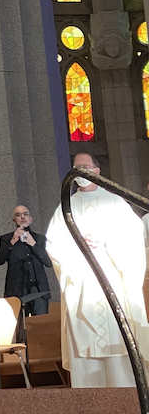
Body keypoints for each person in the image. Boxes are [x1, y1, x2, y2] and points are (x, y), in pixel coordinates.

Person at [45, 153, 149, 387]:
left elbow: (133, 236)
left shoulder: (115, 202)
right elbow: (54, 244)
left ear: (97, 171)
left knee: (119, 338)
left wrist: (105, 242)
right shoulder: (66, 206)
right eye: (76, 167)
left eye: (85, 167)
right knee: (86, 340)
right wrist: (77, 244)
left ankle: (126, 400)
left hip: (112, 279)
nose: (81, 171)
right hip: (82, 282)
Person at [0, 205, 52, 316]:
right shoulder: (6, 239)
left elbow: (48, 262)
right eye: (18, 215)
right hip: (16, 291)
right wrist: (12, 241)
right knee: (19, 326)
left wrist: (33, 244)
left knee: (41, 325)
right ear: (14, 220)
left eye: (25, 214)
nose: (22, 217)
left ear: (31, 219)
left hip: (38, 290)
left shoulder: (39, 239)